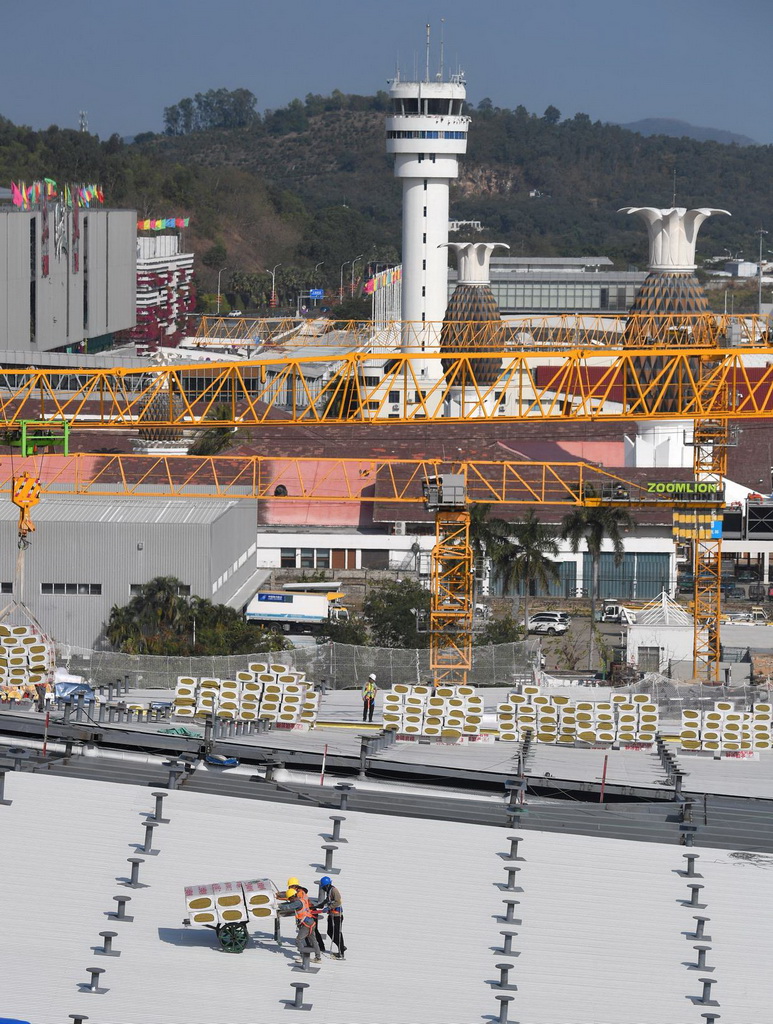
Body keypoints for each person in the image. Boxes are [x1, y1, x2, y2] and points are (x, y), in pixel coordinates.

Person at [281, 885, 322, 963]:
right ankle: (318, 957)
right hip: (311, 922)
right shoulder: (301, 900)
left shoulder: (297, 903)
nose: (289, 900)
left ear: (292, 897)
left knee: (298, 940)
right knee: (313, 941)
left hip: (305, 924)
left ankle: (303, 956)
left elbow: (289, 906)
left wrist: (278, 906)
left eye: (290, 899)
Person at [316, 875, 346, 959]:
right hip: (331, 915)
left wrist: (328, 907)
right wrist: (322, 904)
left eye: (323, 887)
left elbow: (338, 901)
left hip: (337, 916)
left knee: (337, 933)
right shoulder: (329, 891)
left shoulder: (334, 890)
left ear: (327, 885)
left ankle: (341, 952)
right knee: (329, 932)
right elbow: (328, 899)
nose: (323, 889)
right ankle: (341, 946)